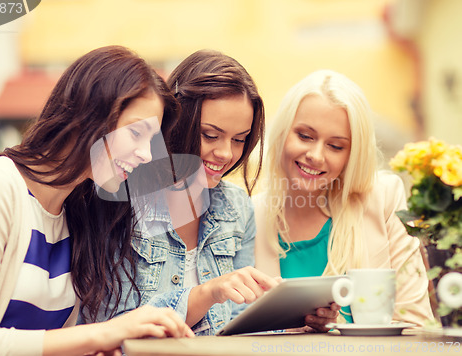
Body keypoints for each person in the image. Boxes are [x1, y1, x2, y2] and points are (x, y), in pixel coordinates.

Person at [0, 45, 193, 356]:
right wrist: (102, 334)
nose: (147, 155)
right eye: (136, 133)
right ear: (89, 115)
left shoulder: (78, 212)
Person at [93, 50, 338, 335]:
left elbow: (240, 324)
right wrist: (207, 293)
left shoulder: (236, 208)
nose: (225, 153)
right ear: (174, 121)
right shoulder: (120, 202)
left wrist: (294, 321)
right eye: (210, 135)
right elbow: (110, 326)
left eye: (239, 139)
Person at [254, 69, 434, 326]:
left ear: (352, 155)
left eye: (335, 146)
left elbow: (415, 322)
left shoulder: (384, 198)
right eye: (305, 136)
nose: (315, 155)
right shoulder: (251, 215)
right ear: (282, 133)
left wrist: (335, 328)